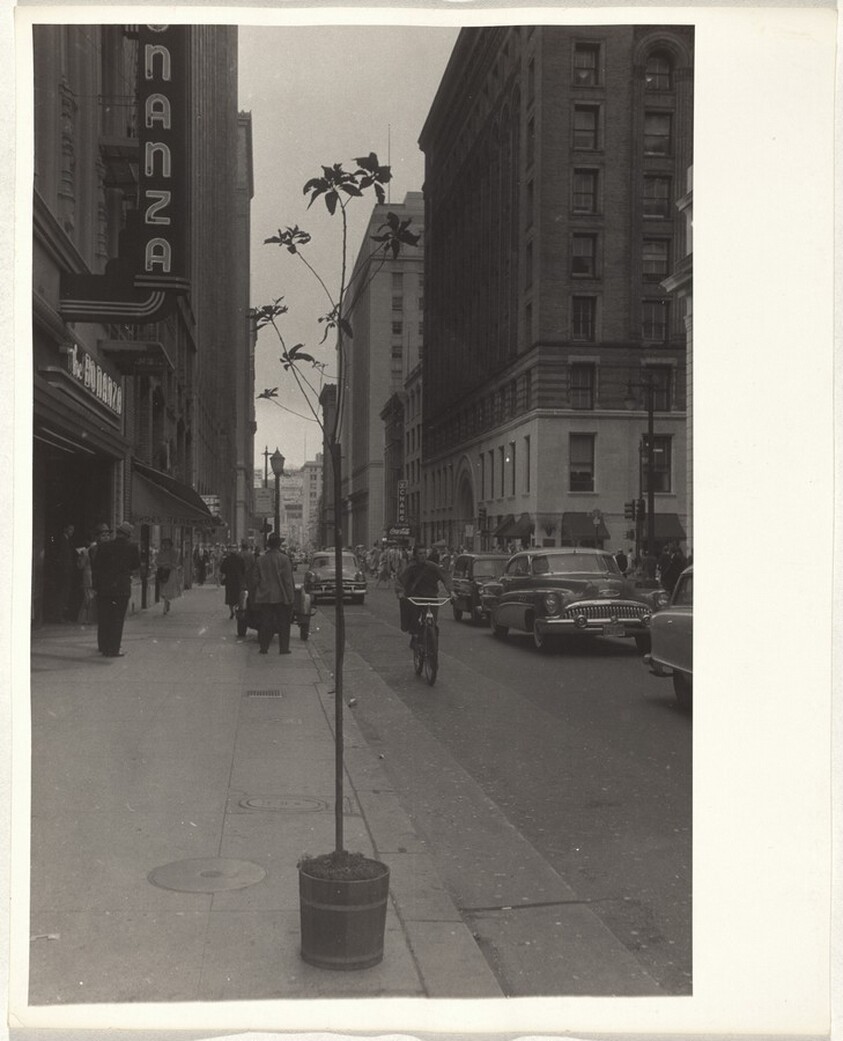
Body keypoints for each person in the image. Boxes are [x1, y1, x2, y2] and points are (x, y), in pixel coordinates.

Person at [91, 521, 141, 657]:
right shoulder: (132, 547)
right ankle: (113, 649)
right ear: (128, 535)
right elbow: (135, 565)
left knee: (104, 617)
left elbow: (96, 567)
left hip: (105, 588)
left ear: (118, 533)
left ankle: (103, 646)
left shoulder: (104, 546)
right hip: (121, 588)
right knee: (117, 619)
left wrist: (95, 586)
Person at [397, 545, 452, 647]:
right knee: (414, 616)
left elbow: (445, 576)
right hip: (416, 598)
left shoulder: (432, 566)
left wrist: (451, 591)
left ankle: (432, 638)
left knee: (433, 620)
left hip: (431, 597)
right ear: (415, 555)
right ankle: (415, 635)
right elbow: (401, 581)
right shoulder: (411, 567)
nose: (423, 556)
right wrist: (400, 592)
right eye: (420, 554)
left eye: (424, 553)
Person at [253, 533, 295, 654]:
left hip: (265, 596)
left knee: (265, 622)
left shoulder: (260, 560)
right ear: (279, 545)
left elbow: (255, 579)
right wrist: (291, 597)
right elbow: (288, 581)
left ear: (268, 545)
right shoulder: (284, 559)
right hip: (281, 597)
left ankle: (264, 647)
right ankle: (284, 648)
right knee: (284, 623)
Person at [156, 537, 182, 615]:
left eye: (167, 544)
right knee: (162, 590)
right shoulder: (161, 552)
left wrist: (167, 564)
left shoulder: (174, 552)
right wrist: (164, 564)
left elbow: (174, 564)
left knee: (167, 589)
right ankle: (166, 602)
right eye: (164, 544)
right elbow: (157, 561)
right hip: (162, 572)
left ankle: (165, 605)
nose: (166, 546)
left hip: (170, 573)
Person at [220, 544, 246, 619]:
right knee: (238, 596)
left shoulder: (227, 559)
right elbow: (243, 570)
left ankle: (232, 612)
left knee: (230, 597)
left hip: (229, 580)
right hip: (238, 581)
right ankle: (237, 609)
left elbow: (222, 569)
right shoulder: (240, 559)